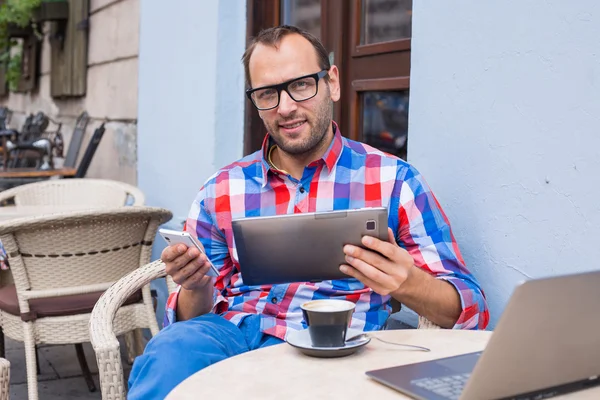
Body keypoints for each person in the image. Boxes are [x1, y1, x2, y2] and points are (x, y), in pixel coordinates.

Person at [128, 25, 489, 399]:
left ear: (331, 82)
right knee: (170, 353)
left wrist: (406, 282)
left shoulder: (394, 181)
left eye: (301, 85)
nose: (285, 107)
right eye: (268, 93)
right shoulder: (221, 189)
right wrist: (197, 286)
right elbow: (187, 317)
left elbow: (471, 310)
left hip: (339, 347)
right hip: (234, 334)